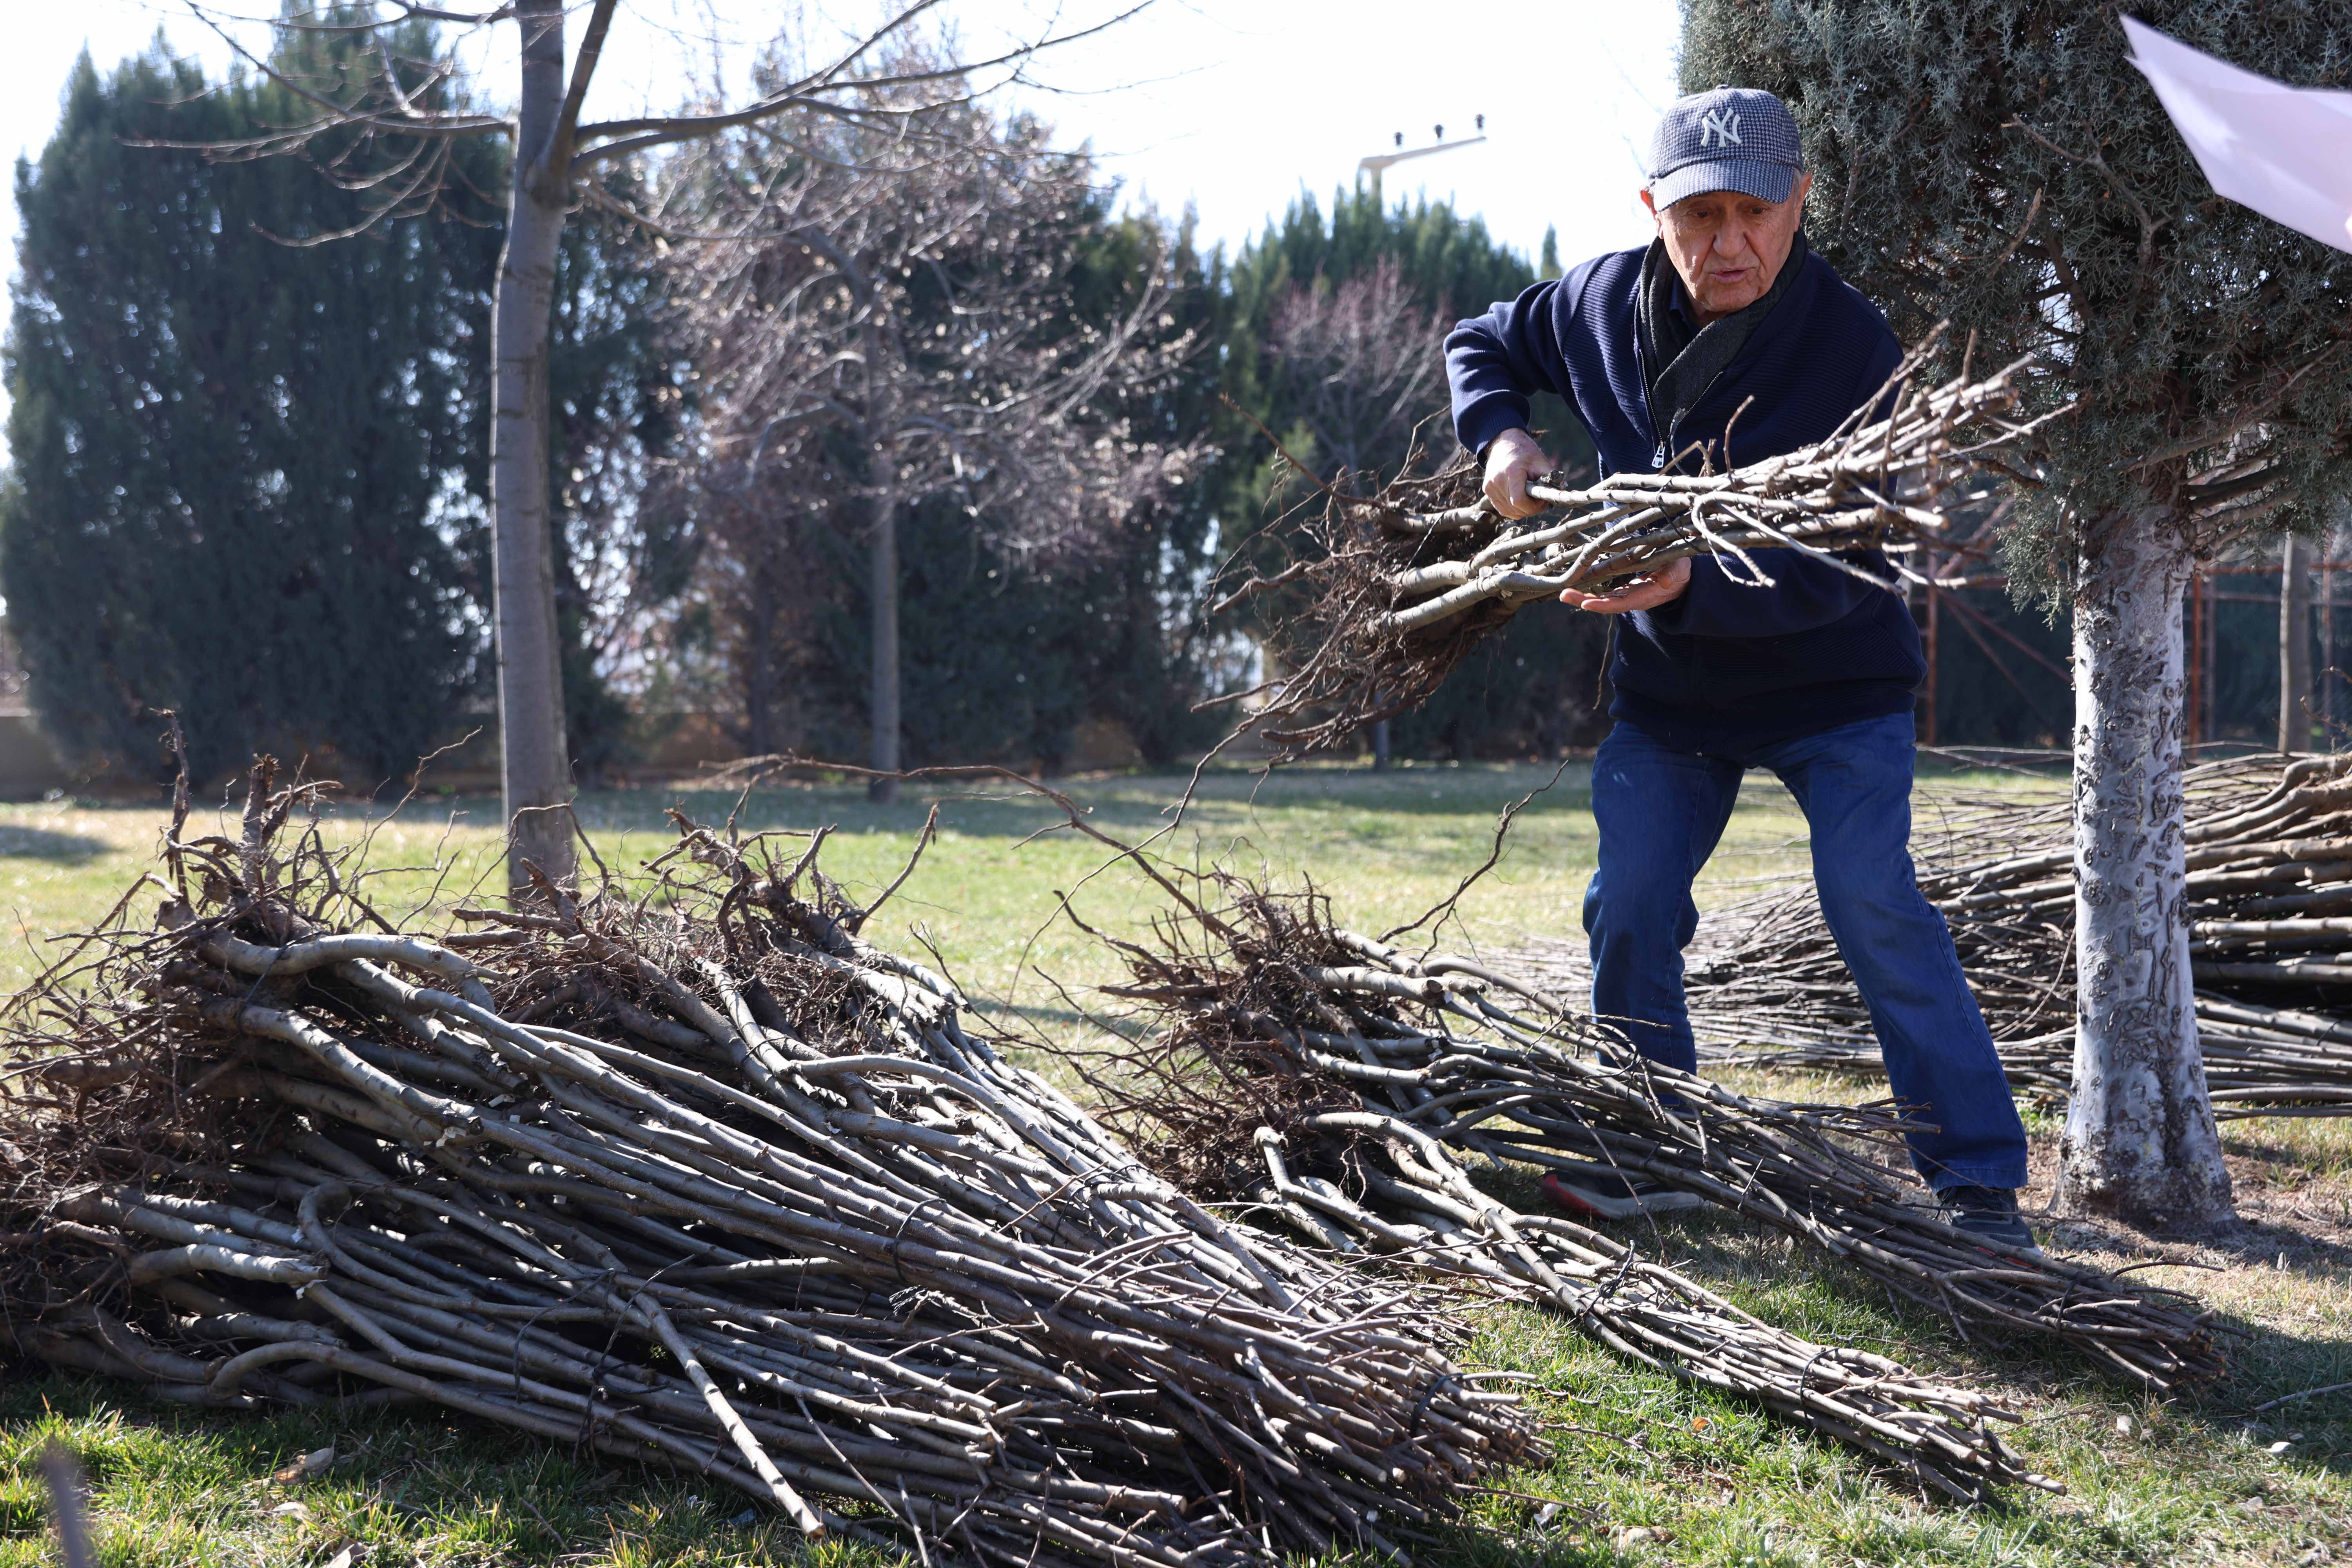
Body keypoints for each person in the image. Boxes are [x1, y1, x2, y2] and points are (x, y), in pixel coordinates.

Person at [1445, 86, 2036, 1251]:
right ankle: (1651, 1144)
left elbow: (1859, 560)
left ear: (1799, 201)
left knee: (1871, 900)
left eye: (1755, 213)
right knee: (1630, 900)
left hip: (1836, 689)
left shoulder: (1852, 345)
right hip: (1676, 701)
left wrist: (1695, 586)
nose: (1730, 243)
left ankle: (1976, 1181)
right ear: (1652, 210)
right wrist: (1499, 432)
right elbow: (1486, 339)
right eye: (1699, 216)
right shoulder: (1599, 304)